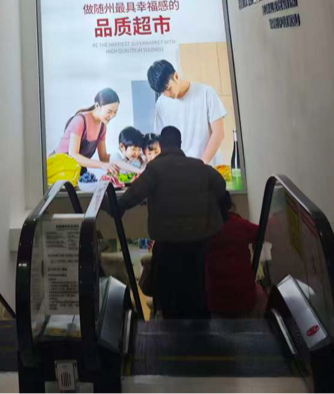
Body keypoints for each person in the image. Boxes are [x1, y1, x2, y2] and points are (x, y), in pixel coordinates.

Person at [113, 125, 226, 318]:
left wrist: (112, 207)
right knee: (197, 291)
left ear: (162, 145)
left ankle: (171, 331)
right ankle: (201, 332)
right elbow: (220, 186)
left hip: (167, 243)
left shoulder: (154, 169)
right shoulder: (199, 166)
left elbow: (131, 197)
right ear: (180, 144)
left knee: (169, 295)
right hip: (197, 242)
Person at [147, 59, 226, 166]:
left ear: (176, 76)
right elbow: (162, 141)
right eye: (163, 92)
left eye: (169, 89)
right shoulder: (161, 103)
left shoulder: (206, 93)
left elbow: (218, 133)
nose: (167, 95)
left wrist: (201, 164)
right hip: (181, 169)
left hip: (208, 167)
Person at [205, 192, 265, 317]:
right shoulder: (240, 224)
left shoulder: (205, 230)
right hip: (244, 298)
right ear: (229, 205)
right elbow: (261, 233)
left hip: (215, 300)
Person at [50, 88, 120, 174]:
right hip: (58, 168)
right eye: (109, 111)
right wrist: (102, 165)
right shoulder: (80, 120)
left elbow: (104, 157)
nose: (112, 116)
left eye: (115, 112)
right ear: (97, 106)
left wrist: (122, 158)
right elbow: (73, 155)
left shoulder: (102, 127)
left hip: (75, 170)